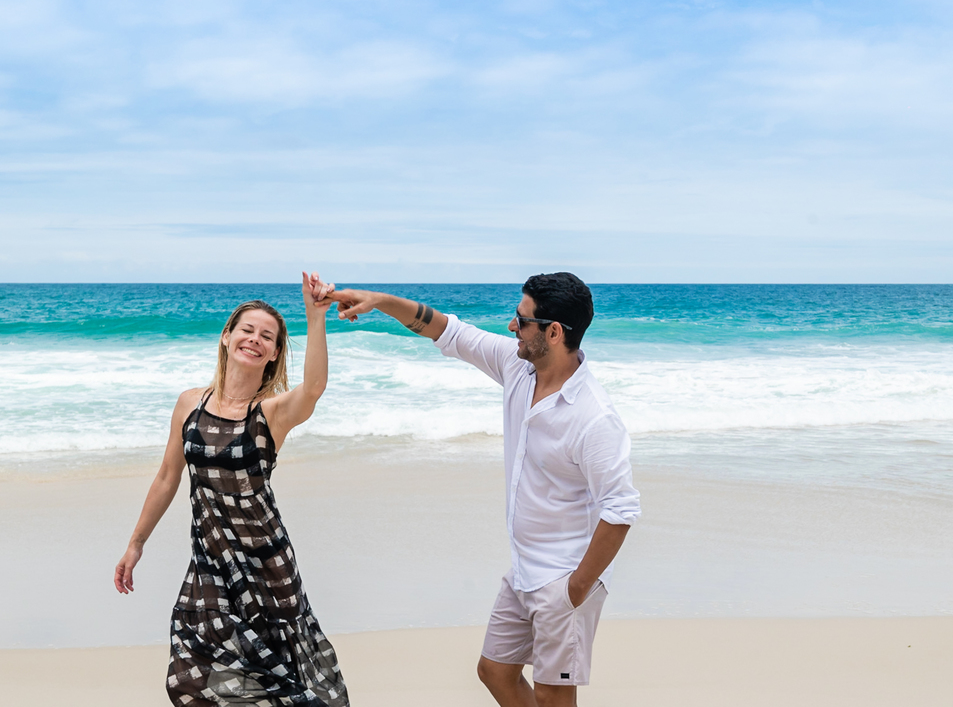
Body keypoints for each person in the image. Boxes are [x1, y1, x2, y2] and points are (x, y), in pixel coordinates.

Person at [325, 272, 640, 707]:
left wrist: (575, 589)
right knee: (494, 671)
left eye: (522, 319)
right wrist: (378, 300)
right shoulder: (518, 367)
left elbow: (620, 509)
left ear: (553, 332)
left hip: (564, 578)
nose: (512, 326)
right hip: (523, 570)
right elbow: (447, 329)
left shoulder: (593, 417)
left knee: (553, 696)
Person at [114, 273, 349, 707]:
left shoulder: (269, 413)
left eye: (267, 336)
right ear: (226, 337)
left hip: (266, 564)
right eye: (246, 330)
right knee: (191, 676)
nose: (254, 340)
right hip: (210, 560)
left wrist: (316, 319)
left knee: (282, 680)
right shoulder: (190, 403)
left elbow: (313, 388)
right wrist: (135, 544)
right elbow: (168, 475)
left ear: (275, 353)